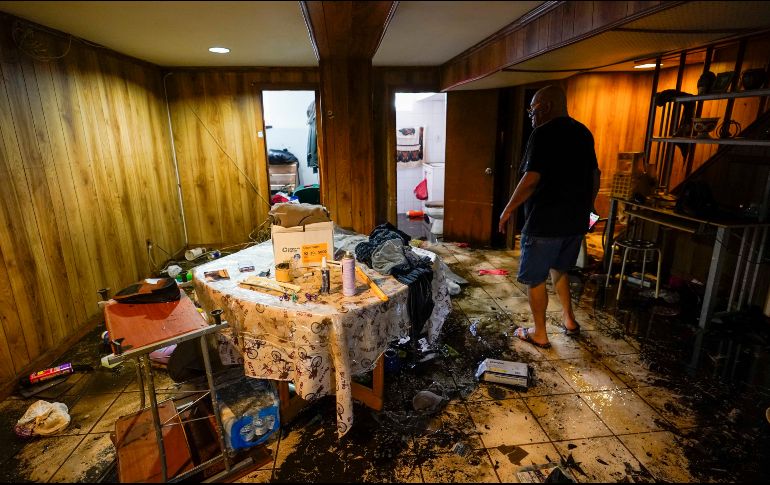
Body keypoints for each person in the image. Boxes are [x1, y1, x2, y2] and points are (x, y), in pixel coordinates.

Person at [498, 85, 600, 349]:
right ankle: (569, 320)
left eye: (532, 110)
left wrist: (508, 209)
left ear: (546, 107)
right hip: (575, 222)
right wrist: (587, 209)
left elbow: (531, 178)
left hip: (545, 222)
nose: (531, 116)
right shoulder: (583, 133)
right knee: (560, 269)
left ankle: (539, 333)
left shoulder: (542, 134)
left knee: (534, 278)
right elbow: (595, 177)